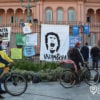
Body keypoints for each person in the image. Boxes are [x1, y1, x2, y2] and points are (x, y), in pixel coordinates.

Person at [0, 34, 13, 99]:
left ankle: (0, 90)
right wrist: (6, 63)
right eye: (0, 38)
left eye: (1, 39)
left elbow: (4, 55)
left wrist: (11, 60)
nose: (1, 40)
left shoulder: (0, 47)